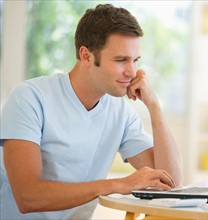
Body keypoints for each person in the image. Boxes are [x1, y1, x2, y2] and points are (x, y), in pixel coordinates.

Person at [0, 3, 183, 219]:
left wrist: (154, 107)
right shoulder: (30, 98)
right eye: (120, 60)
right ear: (86, 56)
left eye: (135, 60)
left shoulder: (120, 112)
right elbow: (28, 196)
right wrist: (118, 184)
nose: (132, 72)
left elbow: (170, 182)